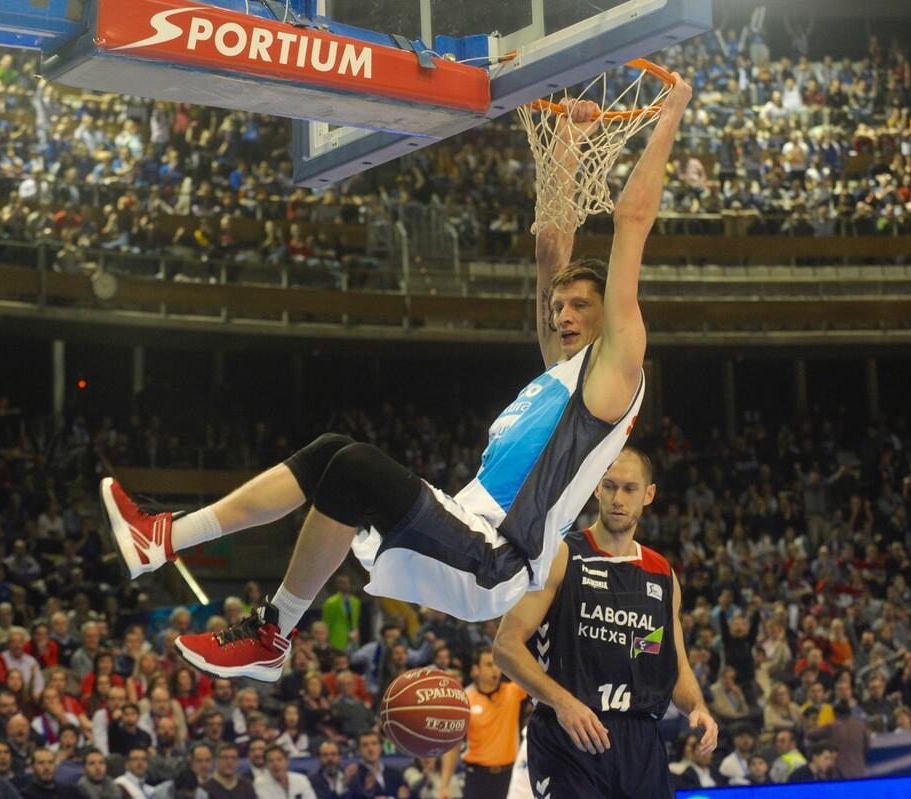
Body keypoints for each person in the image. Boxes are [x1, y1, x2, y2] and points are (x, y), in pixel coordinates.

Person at [99, 74, 692, 684]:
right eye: (558, 305)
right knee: (332, 453)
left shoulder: (614, 374)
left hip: (498, 558)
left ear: (610, 318)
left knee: (355, 466)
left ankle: (273, 635)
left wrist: (671, 112)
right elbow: (550, 246)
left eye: (579, 306)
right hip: (463, 529)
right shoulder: (559, 372)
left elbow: (632, 218)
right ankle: (163, 537)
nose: (562, 314)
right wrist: (566, 141)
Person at [493, 448, 717, 799]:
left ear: (649, 494)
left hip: (641, 741)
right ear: (596, 487)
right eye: (609, 486)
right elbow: (506, 647)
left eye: (630, 489)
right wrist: (563, 703)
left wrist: (697, 707)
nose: (617, 498)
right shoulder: (561, 556)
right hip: (571, 734)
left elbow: (674, 662)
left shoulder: (661, 574)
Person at [438, 650, 525, 799]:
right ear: (475, 670)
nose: (495, 669)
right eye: (489, 664)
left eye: (497, 664)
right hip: (477, 776)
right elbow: (453, 746)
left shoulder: (514, 692)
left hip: (508, 775)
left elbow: (530, 672)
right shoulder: (464, 700)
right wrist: (444, 785)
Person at [344, 733, 404, 799]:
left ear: (380, 748)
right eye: (365, 745)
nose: (370, 748)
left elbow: (405, 795)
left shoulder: (394, 773)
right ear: (359, 750)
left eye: (374, 743)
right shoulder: (354, 774)